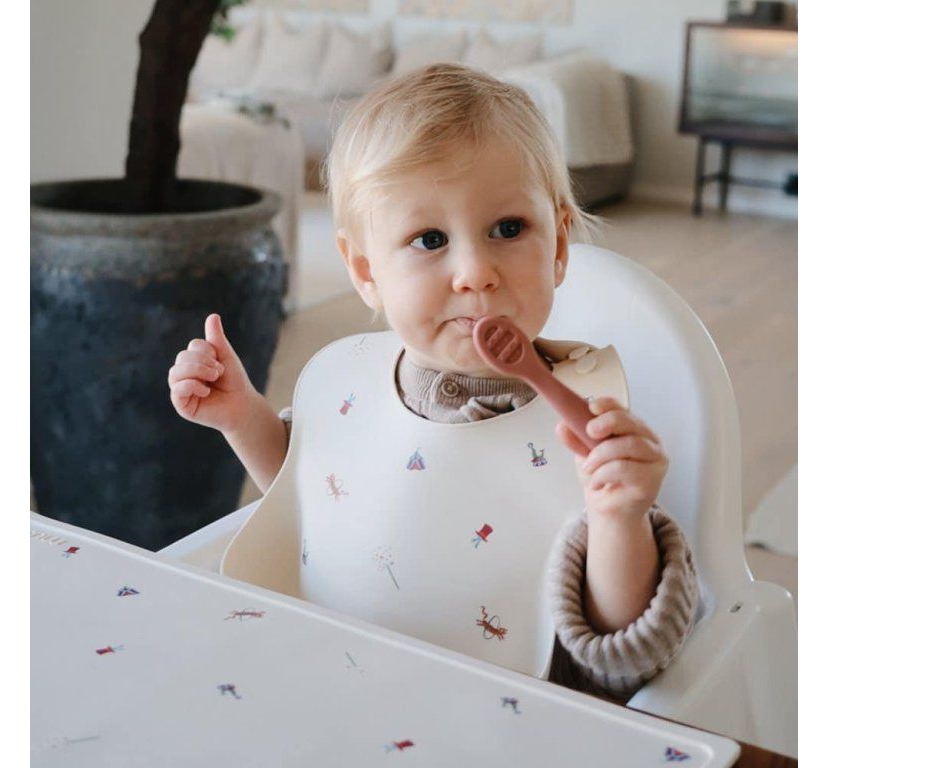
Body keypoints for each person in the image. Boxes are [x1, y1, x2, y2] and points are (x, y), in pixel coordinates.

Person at [167, 64, 698, 701]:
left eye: (508, 229)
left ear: (558, 245)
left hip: (504, 714)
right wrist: (241, 416)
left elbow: (622, 654)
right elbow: (316, 498)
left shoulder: (588, 422)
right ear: (366, 271)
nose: (475, 272)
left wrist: (619, 519)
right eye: (430, 239)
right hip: (331, 679)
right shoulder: (351, 386)